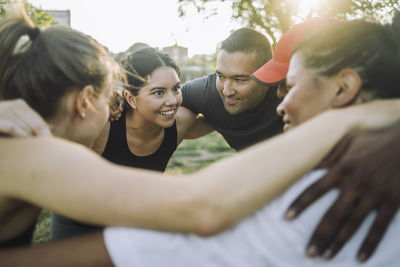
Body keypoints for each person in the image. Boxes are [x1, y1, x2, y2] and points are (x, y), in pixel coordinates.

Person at [2, 17, 400, 267]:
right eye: (113, 95)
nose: (281, 99)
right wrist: (358, 118)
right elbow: (201, 205)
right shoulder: (35, 153)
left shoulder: (24, 146)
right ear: (84, 102)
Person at [50, 46, 206, 240]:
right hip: (79, 220)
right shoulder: (102, 126)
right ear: (131, 98)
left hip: (130, 222)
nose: (172, 100)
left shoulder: (180, 124)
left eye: (176, 89)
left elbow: (222, 114)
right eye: (158, 92)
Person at [179, 27, 283, 151]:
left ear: (267, 75)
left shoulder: (289, 89)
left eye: (239, 80)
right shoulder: (206, 92)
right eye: (221, 76)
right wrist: (213, 121)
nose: (227, 91)